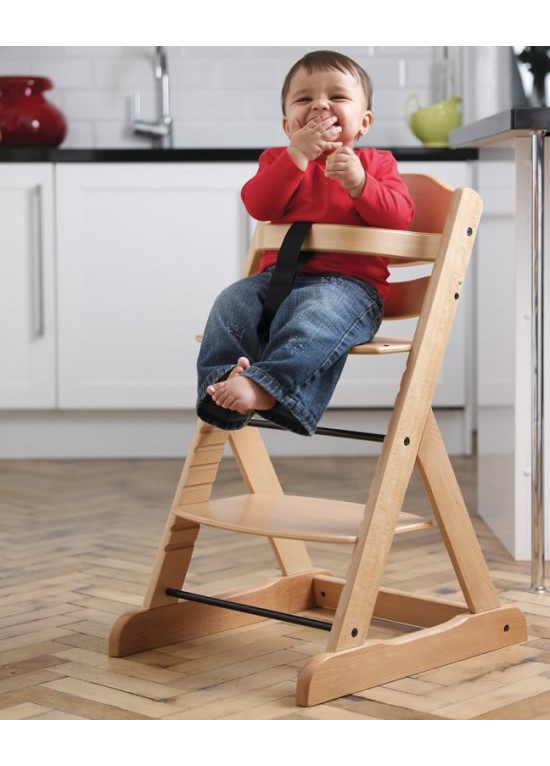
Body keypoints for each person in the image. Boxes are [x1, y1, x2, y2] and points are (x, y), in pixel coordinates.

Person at [196, 50, 415, 436]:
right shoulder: (278, 160)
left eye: (337, 97)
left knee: (314, 311)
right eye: (304, 98)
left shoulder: (377, 164)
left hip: (351, 292)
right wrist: (296, 157)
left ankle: (267, 385)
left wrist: (361, 184)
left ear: (363, 122)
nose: (319, 104)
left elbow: (399, 219)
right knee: (230, 301)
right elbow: (258, 204)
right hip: (276, 282)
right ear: (287, 125)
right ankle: (224, 382)